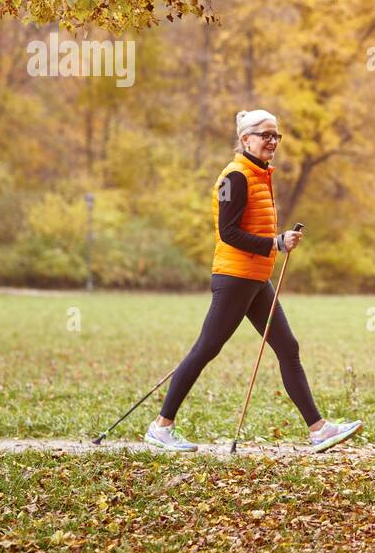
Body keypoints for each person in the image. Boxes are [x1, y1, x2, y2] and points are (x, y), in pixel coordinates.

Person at [145, 109, 362, 453]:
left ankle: (318, 430)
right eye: (265, 135)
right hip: (234, 278)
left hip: (256, 278)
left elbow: (254, 228)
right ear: (245, 139)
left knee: (288, 348)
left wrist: (277, 240)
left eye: (276, 135)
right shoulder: (234, 178)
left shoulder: (260, 175)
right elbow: (228, 234)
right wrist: (275, 243)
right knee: (206, 349)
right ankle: (161, 427)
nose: (272, 142)